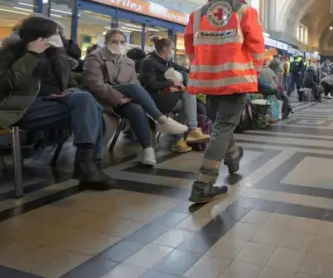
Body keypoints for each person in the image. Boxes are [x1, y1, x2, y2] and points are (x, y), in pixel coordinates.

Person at [0, 16, 115, 190]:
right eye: (53, 33)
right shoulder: (11, 54)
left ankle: (88, 164)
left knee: (89, 104)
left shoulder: (57, 56)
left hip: (54, 105)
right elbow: (8, 84)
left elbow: (72, 85)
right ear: (39, 37)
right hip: (23, 109)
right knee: (91, 106)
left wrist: (65, 94)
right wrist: (32, 54)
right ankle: (88, 165)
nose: (58, 36)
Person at [185, 0, 265, 204]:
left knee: (221, 126)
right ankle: (203, 183)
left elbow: (190, 48)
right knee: (222, 129)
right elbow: (257, 47)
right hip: (235, 80)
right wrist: (255, 70)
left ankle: (232, 158)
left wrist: (204, 67)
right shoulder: (244, 10)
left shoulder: (197, 14)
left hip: (207, 82)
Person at [83, 29, 188, 166]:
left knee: (137, 109)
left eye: (121, 42)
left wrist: (129, 99)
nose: (118, 44)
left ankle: (148, 151)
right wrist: (119, 97)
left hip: (124, 100)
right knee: (132, 88)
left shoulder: (128, 62)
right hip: (101, 98)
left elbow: (136, 84)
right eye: (114, 41)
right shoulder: (94, 57)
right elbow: (95, 84)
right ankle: (162, 120)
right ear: (106, 42)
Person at [139, 36, 209, 153]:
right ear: (166, 49)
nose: (172, 52)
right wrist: (172, 82)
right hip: (154, 100)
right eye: (171, 49)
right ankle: (191, 130)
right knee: (188, 94)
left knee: (186, 105)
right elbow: (151, 85)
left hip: (166, 97)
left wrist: (196, 71)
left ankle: (179, 139)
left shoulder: (164, 61)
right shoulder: (149, 62)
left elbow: (179, 67)